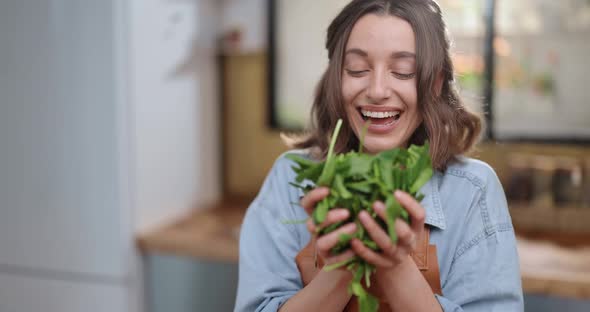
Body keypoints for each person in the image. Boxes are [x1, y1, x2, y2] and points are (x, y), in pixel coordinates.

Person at [234, 0, 524, 311]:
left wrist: (395, 265)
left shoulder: (472, 191)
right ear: (337, 76)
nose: (377, 90)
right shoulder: (289, 179)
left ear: (436, 83)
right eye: (357, 69)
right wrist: (345, 265)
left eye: (403, 72)